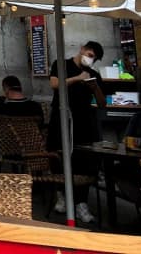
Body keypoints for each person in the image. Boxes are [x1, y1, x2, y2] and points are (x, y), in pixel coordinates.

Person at [49, 40, 105, 223]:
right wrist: (76, 79)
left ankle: (81, 202)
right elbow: (55, 84)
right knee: (59, 155)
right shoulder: (61, 65)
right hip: (61, 116)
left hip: (83, 121)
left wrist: (94, 87)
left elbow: (102, 102)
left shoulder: (93, 74)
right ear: (82, 49)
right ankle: (61, 195)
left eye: (94, 58)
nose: (91, 60)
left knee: (83, 161)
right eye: (89, 55)